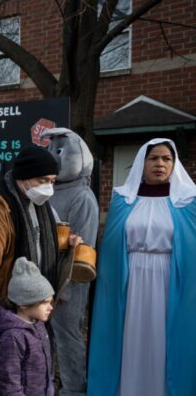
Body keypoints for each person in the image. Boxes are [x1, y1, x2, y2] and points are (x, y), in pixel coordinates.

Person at [88, 139, 196, 396]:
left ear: (174, 164)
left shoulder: (188, 201)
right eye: (153, 158)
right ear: (141, 163)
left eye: (166, 159)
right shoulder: (122, 198)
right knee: (129, 339)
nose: (160, 163)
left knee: (164, 341)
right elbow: (112, 246)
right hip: (130, 279)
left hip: (170, 279)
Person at [0, 145, 81, 324]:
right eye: (42, 180)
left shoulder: (38, 204)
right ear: (23, 177)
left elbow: (38, 245)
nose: (48, 187)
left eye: (52, 181)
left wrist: (65, 245)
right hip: (7, 315)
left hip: (31, 315)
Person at [41, 127, 99, 396]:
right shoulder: (47, 190)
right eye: (52, 150)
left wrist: (67, 289)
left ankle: (73, 389)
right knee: (44, 337)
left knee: (67, 336)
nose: (55, 157)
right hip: (44, 277)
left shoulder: (83, 197)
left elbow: (83, 250)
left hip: (69, 282)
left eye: (61, 151)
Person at [0, 257, 55, 396]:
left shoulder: (38, 325)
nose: (50, 307)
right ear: (24, 304)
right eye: (45, 302)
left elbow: (47, 369)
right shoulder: (12, 337)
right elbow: (9, 383)